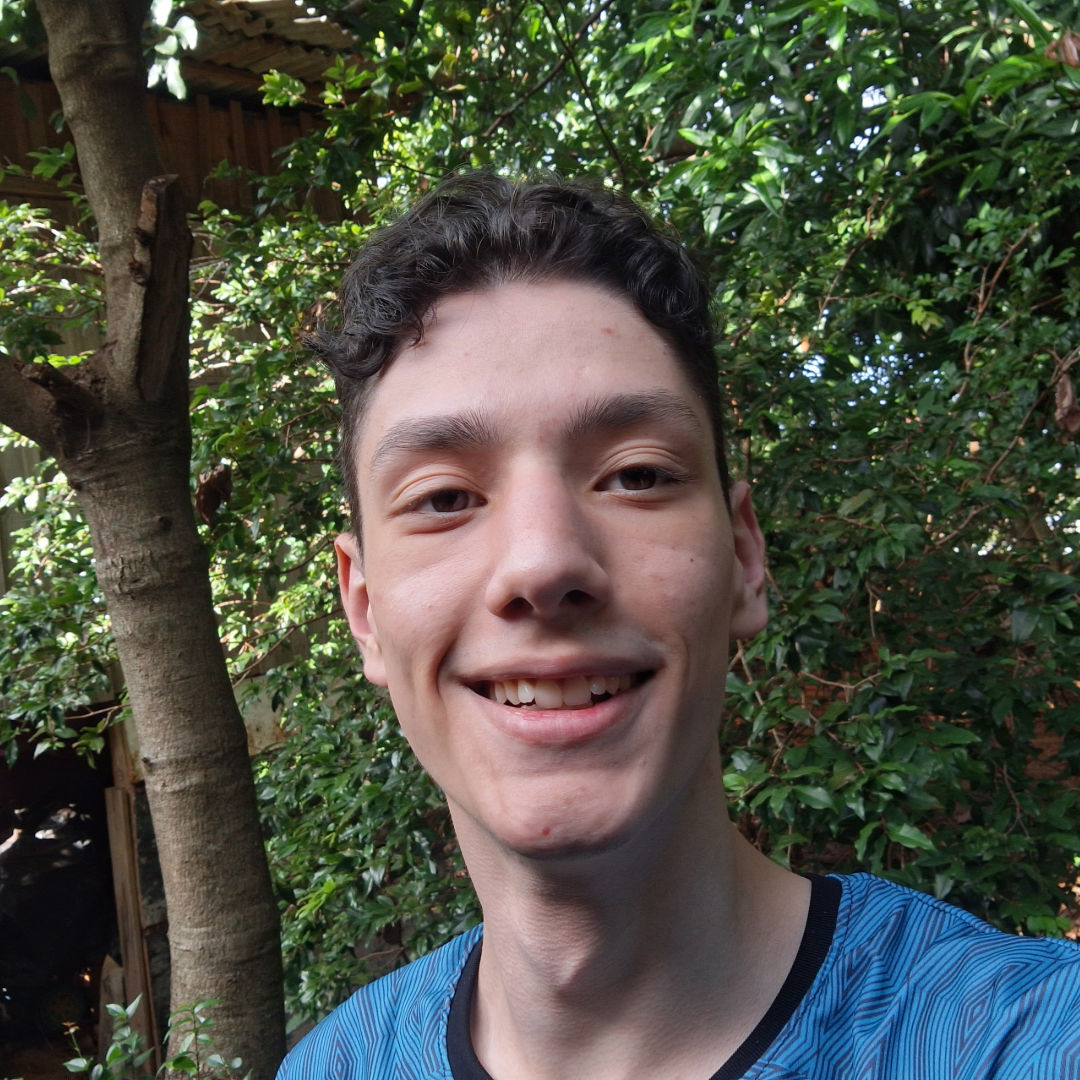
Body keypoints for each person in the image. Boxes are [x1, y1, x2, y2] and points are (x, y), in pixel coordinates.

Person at [277, 173, 1080, 1079]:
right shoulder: (332, 1067)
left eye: (637, 476)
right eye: (444, 497)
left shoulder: (1022, 1042)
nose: (543, 563)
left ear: (743, 558)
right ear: (364, 610)